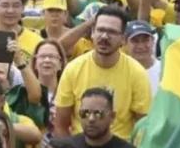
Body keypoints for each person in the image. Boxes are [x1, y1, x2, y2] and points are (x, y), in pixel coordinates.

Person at [53, 7, 150, 140]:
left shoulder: (137, 73)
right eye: (100, 30)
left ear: (123, 39)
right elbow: (60, 125)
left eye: (112, 32)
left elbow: (143, 128)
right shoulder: (73, 69)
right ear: (92, 32)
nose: (104, 36)